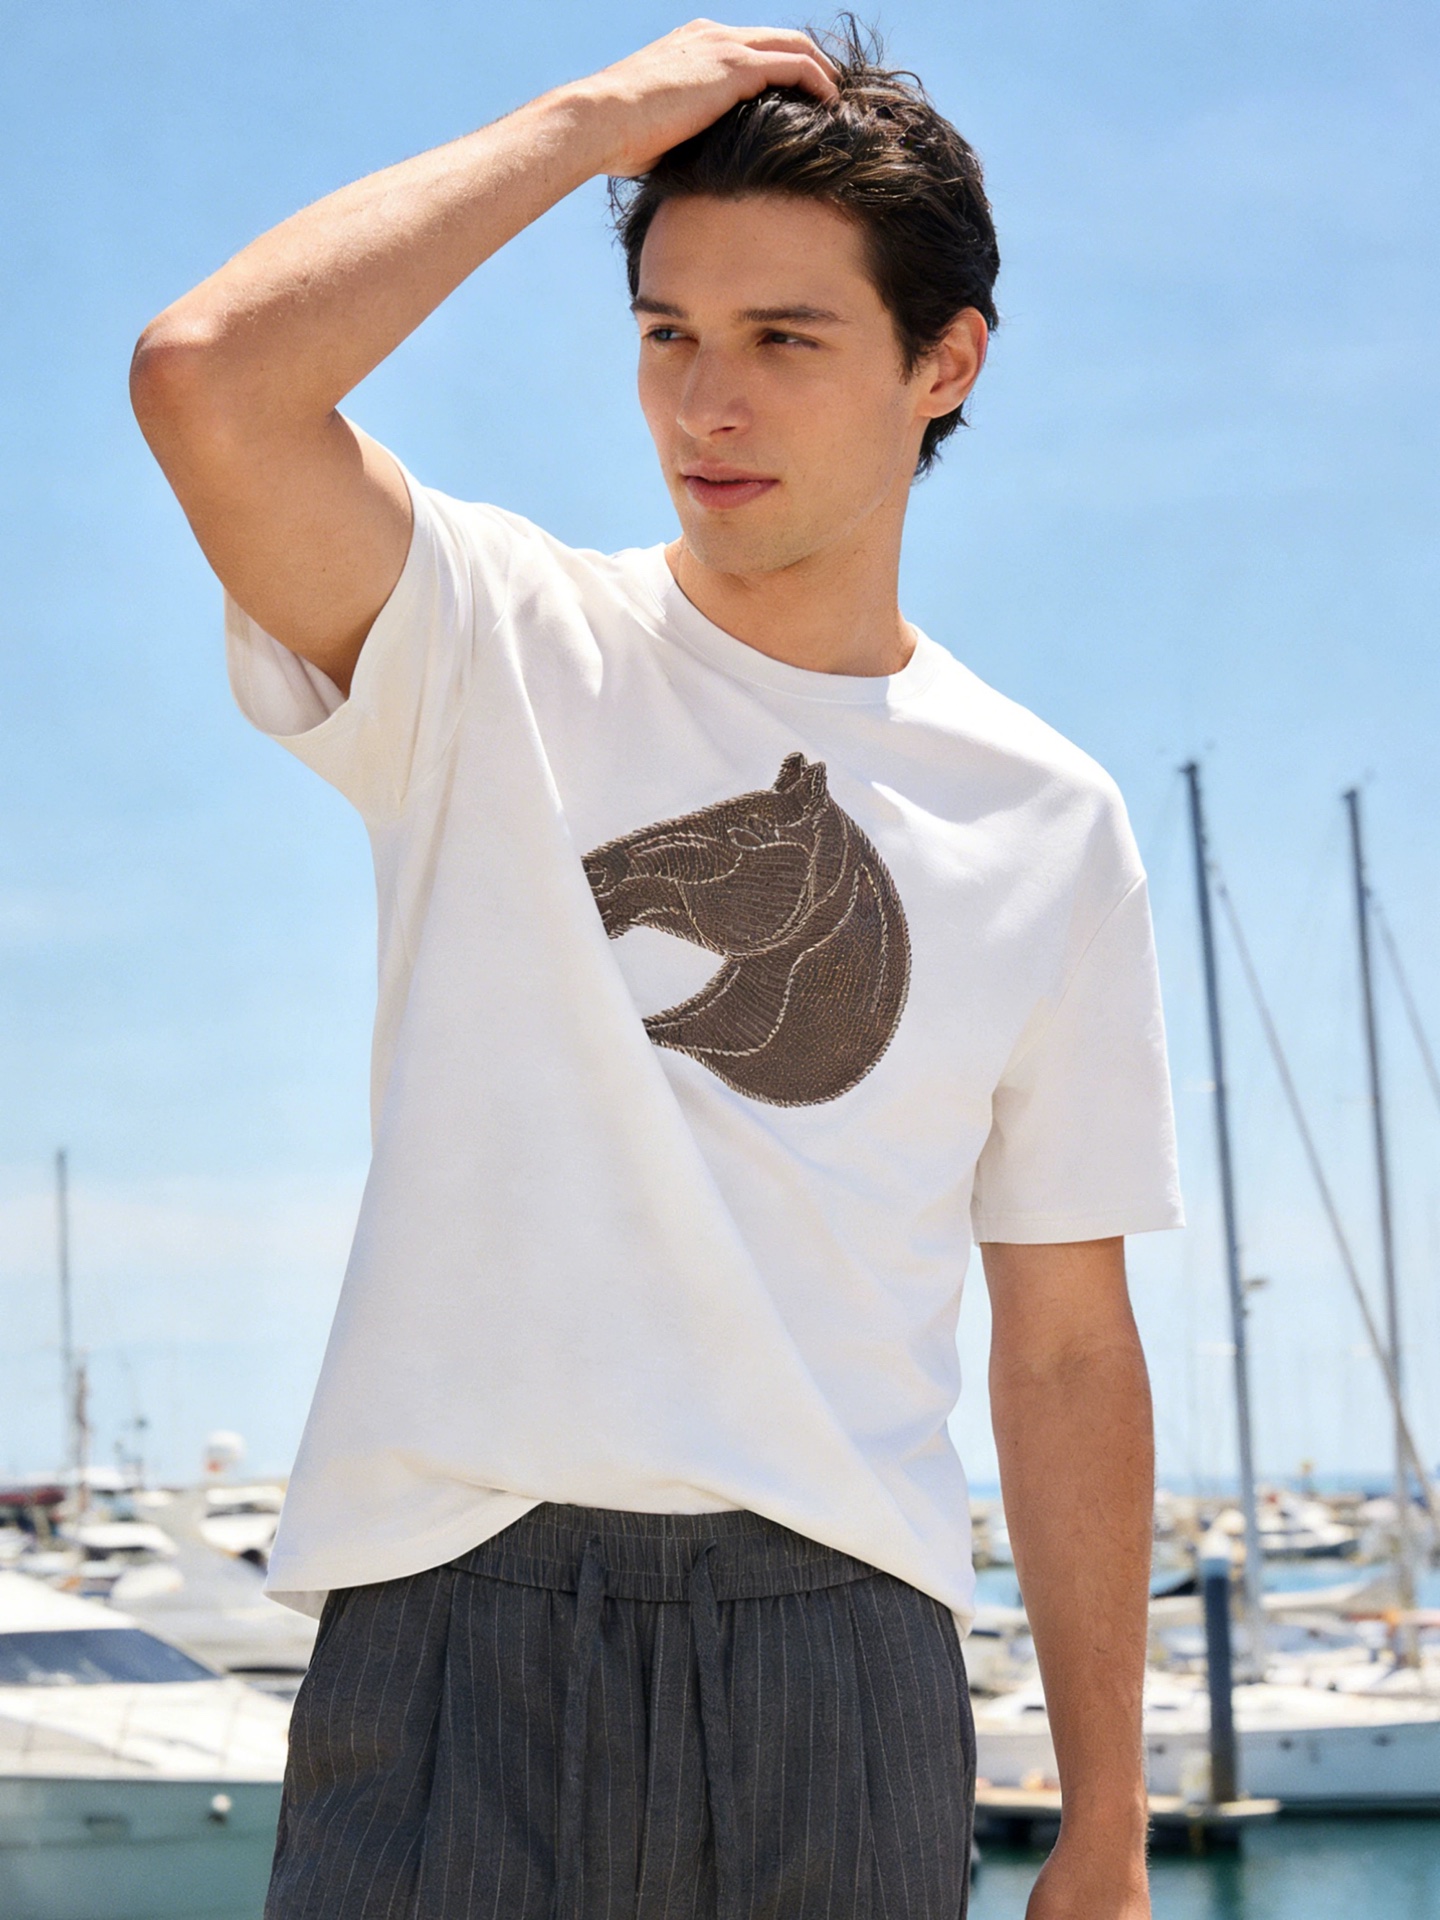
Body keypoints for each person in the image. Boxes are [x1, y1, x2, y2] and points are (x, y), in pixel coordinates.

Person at [132, 19, 1181, 1919]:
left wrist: (1104, 1816)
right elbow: (209, 378)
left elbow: (1067, 1346)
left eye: (785, 339)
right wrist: (588, 125)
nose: (710, 401)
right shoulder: (485, 638)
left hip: (840, 1661)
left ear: (944, 364)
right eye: (667, 332)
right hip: (454, 1619)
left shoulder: (1049, 817)